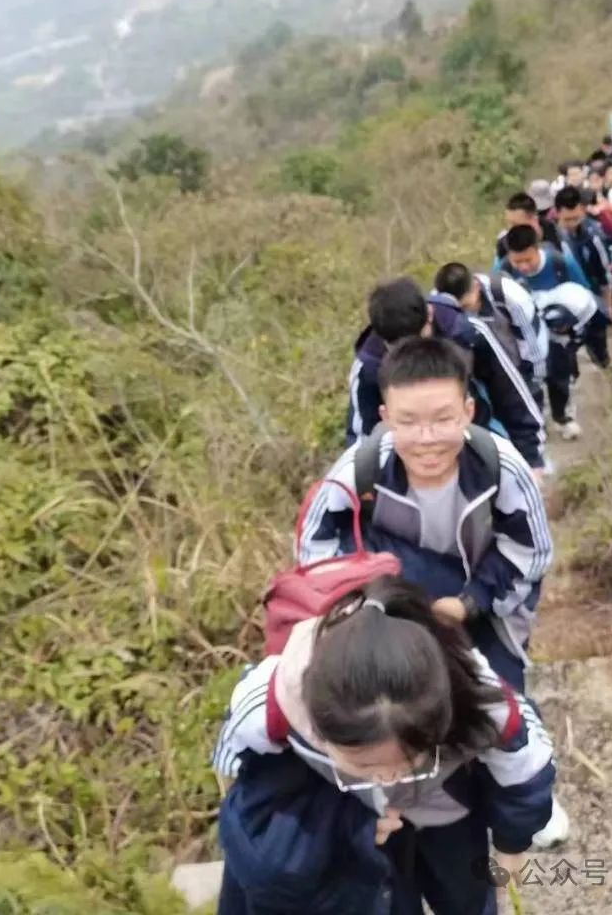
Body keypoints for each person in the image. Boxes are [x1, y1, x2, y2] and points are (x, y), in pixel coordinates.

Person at [212, 576, 558, 913]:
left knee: (466, 893)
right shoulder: (270, 708)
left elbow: (527, 770)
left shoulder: (478, 695)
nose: (388, 778)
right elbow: (243, 783)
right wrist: (341, 823)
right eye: (364, 765)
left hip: (447, 806)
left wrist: (512, 841)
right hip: (360, 813)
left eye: (411, 759)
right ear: (319, 730)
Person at [308, 336, 552, 690]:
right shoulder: (356, 473)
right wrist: (365, 609)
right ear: (386, 418)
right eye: (408, 422)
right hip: (386, 617)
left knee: (500, 718)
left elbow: (531, 553)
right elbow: (316, 555)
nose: (426, 438)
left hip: (481, 612)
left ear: (468, 412)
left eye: (442, 419)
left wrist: (469, 603)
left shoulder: (500, 467)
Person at [346, 277, 546, 472]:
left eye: (418, 342)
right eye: (398, 349)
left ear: (430, 315)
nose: (411, 356)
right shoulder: (368, 368)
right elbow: (363, 440)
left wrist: (531, 460)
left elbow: (510, 393)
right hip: (411, 461)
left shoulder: (466, 334)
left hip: (475, 437)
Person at [432, 261, 548, 403]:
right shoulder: (439, 307)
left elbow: (533, 344)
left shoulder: (512, 297)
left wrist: (534, 383)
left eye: (467, 306)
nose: (465, 316)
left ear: (476, 286)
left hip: (518, 373)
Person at [534, 280, 611, 439]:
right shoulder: (538, 314)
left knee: (598, 341)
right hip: (551, 336)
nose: (560, 331)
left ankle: (603, 361)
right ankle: (558, 417)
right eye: (558, 329)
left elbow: (596, 326)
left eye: (562, 328)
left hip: (589, 309)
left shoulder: (582, 306)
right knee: (559, 372)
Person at [553, 186, 612, 320]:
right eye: (567, 219)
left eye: (576, 218)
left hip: (592, 301)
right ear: (557, 213)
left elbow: (604, 273)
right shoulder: (550, 241)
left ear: (582, 210)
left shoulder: (593, 236)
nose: (572, 224)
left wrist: (608, 305)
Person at [493, 191, 562, 263]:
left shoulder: (554, 230)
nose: (511, 229)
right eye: (509, 223)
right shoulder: (504, 244)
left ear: (534, 219)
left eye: (515, 224)